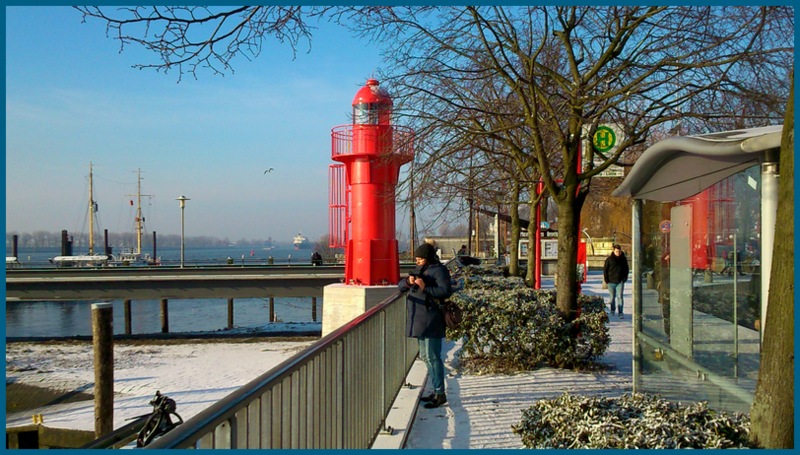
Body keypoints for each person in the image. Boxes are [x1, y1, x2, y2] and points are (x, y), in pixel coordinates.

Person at [398, 242, 453, 409]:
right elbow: (400, 287)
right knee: (424, 355)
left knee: (432, 356)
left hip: (431, 318)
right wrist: (408, 281)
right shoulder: (418, 270)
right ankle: (435, 390)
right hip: (419, 318)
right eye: (416, 259)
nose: (418, 261)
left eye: (420, 259)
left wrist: (425, 287)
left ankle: (440, 393)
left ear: (428, 258)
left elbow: (446, 291)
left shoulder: (440, 270)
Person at [603, 244, 630, 318]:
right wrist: (607, 280)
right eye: (616, 251)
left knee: (620, 297)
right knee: (612, 297)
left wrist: (624, 279)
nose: (618, 253)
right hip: (611, 282)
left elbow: (626, 269)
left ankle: (620, 312)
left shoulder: (623, 259)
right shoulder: (609, 259)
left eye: (619, 251)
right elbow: (605, 270)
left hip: (620, 282)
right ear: (614, 251)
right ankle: (612, 310)